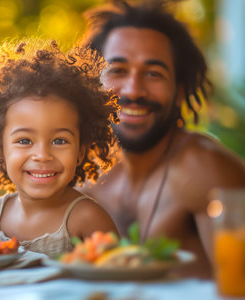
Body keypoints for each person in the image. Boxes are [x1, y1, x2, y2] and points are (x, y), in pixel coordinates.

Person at [78, 1, 245, 278]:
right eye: (118, 70)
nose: (134, 90)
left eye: (154, 73)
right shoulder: (81, 172)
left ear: (180, 91)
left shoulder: (205, 170)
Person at [0, 39, 118, 257]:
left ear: (81, 151)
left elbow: (116, 272)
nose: (42, 155)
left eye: (59, 141)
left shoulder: (86, 217)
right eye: (25, 141)